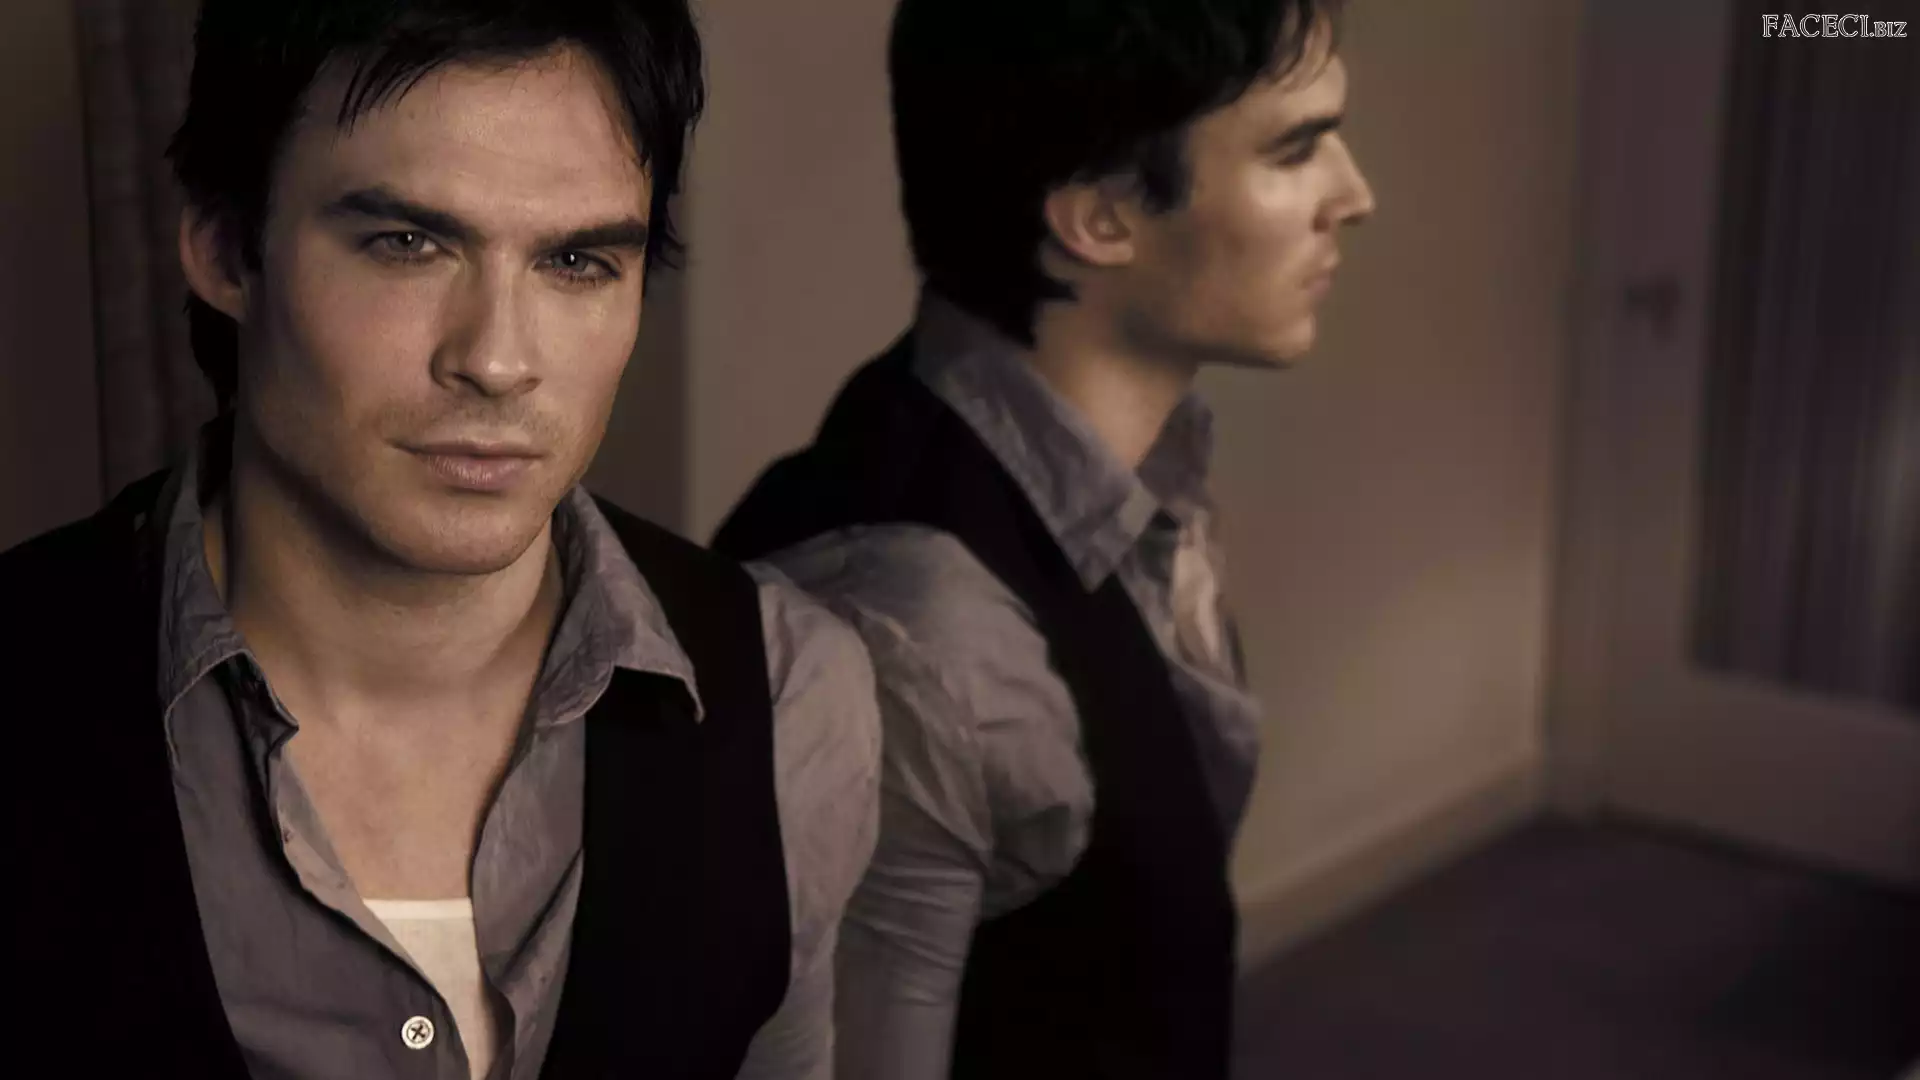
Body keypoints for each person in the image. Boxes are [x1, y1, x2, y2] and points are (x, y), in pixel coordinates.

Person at [2, 2, 879, 1077]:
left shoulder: (790, 695)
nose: (497, 360)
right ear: (227, 249)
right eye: (408, 244)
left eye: (576, 261)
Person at [711, 0, 1376, 1076]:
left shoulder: (1140, 471)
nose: (1355, 196)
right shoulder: (923, 629)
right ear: (1102, 216)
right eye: (1296, 150)